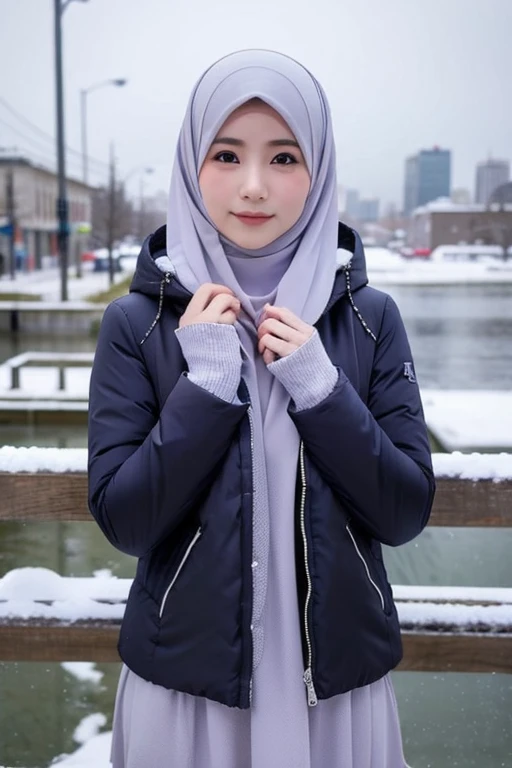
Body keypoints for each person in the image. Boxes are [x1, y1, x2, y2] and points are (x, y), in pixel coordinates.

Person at [88, 49, 435, 768]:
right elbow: (126, 520)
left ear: (319, 170)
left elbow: (403, 512)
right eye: (226, 154)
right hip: (188, 695)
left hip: (333, 695)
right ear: (191, 164)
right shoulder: (140, 324)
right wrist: (206, 385)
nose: (253, 186)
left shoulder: (369, 320)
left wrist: (320, 388)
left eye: (283, 157)